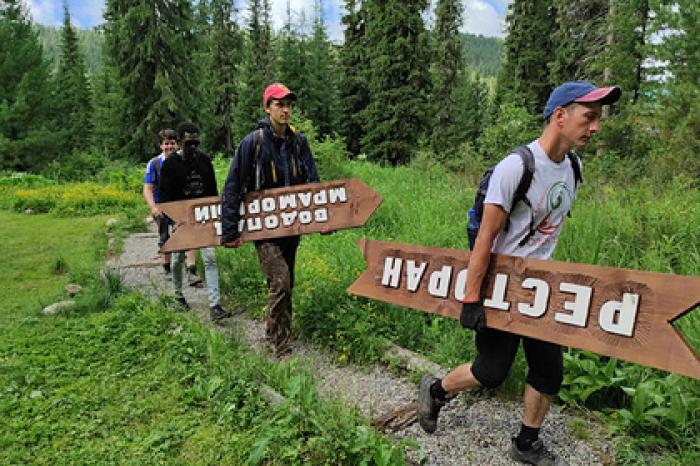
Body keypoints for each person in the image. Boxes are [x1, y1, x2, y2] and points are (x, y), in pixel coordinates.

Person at [417, 81, 621, 465]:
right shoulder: (518, 166)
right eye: (589, 117)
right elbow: (486, 238)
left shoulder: (574, 167)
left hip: (541, 287)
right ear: (560, 116)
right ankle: (437, 389)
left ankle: (525, 443)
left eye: (598, 119)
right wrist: (471, 298)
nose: (595, 127)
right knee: (491, 371)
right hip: (501, 285)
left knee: (549, 370)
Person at [220, 83, 322, 357]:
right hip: (262, 229)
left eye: (289, 105)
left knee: (288, 283)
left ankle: (283, 335)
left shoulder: (299, 143)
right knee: (280, 281)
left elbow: (313, 184)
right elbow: (232, 186)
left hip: (292, 227)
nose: (286, 110)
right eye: (280, 105)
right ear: (267, 108)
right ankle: (274, 343)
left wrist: (324, 219)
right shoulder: (252, 142)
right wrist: (229, 231)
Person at [158, 122, 232, 321]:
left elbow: (212, 192)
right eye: (188, 143)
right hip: (180, 218)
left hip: (203, 217)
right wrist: (172, 221)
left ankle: (215, 305)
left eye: (195, 143)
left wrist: (214, 217)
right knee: (177, 260)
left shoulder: (204, 161)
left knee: (209, 257)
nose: (192, 147)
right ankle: (178, 294)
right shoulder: (170, 165)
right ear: (180, 142)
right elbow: (164, 198)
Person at [142, 129, 200, 284]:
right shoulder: (154, 164)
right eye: (166, 143)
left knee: (189, 236)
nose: (169, 146)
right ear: (161, 145)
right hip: (162, 207)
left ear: (177, 143)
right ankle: (167, 267)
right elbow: (148, 188)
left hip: (183, 205)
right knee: (165, 238)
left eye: (172, 143)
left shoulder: (185, 160)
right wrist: (153, 207)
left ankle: (191, 270)